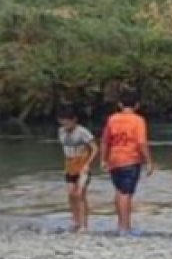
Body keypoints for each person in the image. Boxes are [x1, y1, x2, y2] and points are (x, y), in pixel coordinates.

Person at [100, 90, 154, 236]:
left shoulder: (112, 119)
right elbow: (141, 142)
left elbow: (105, 141)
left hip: (114, 159)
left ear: (120, 104)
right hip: (130, 159)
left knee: (119, 191)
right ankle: (125, 227)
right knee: (126, 194)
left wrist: (103, 159)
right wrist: (149, 161)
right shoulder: (138, 120)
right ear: (137, 105)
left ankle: (120, 224)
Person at [57, 105, 97, 233]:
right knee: (71, 194)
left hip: (83, 166)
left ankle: (84, 225)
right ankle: (75, 221)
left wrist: (88, 164)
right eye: (62, 121)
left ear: (74, 119)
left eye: (67, 121)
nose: (65, 124)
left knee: (80, 194)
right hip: (70, 166)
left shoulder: (83, 132)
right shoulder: (61, 132)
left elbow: (95, 148)